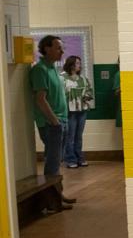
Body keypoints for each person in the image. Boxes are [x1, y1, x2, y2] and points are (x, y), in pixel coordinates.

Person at [30, 35, 76, 212]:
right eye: (58, 48)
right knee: (52, 162)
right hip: (51, 123)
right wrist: (55, 121)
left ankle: (58, 194)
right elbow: (41, 100)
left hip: (61, 120)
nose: (62, 52)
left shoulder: (53, 69)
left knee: (58, 161)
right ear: (46, 48)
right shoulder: (40, 70)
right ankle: (51, 202)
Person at [61, 55, 94, 168]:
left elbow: (89, 91)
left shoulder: (83, 79)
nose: (79, 65)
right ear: (71, 64)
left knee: (78, 136)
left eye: (80, 63)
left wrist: (87, 96)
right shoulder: (63, 78)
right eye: (77, 63)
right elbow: (60, 94)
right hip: (70, 111)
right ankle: (70, 159)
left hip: (82, 110)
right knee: (70, 136)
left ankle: (79, 157)